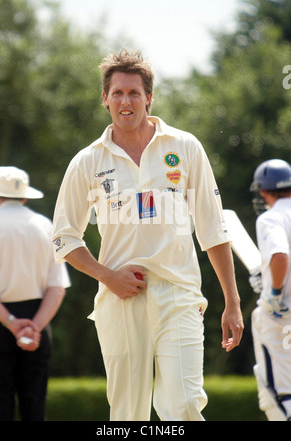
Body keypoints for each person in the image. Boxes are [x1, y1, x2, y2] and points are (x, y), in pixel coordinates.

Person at [52, 49, 243, 421]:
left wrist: (232, 302)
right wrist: (108, 277)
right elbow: (64, 237)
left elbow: (213, 228)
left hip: (179, 293)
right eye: (118, 93)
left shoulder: (185, 147)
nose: (126, 101)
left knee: (185, 406)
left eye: (134, 93)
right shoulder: (87, 161)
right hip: (120, 298)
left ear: (149, 97)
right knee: (128, 415)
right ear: (105, 98)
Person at [0, 166, 71, 421]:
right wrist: (33, 327)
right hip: (38, 320)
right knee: (34, 404)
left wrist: (12, 324)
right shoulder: (44, 226)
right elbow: (57, 287)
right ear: (24, 197)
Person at [249, 159, 291, 421]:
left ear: (263, 191)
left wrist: (273, 292)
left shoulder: (270, 218)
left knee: (278, 395)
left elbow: (279, 255)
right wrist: (265, 276)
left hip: (281, 319)